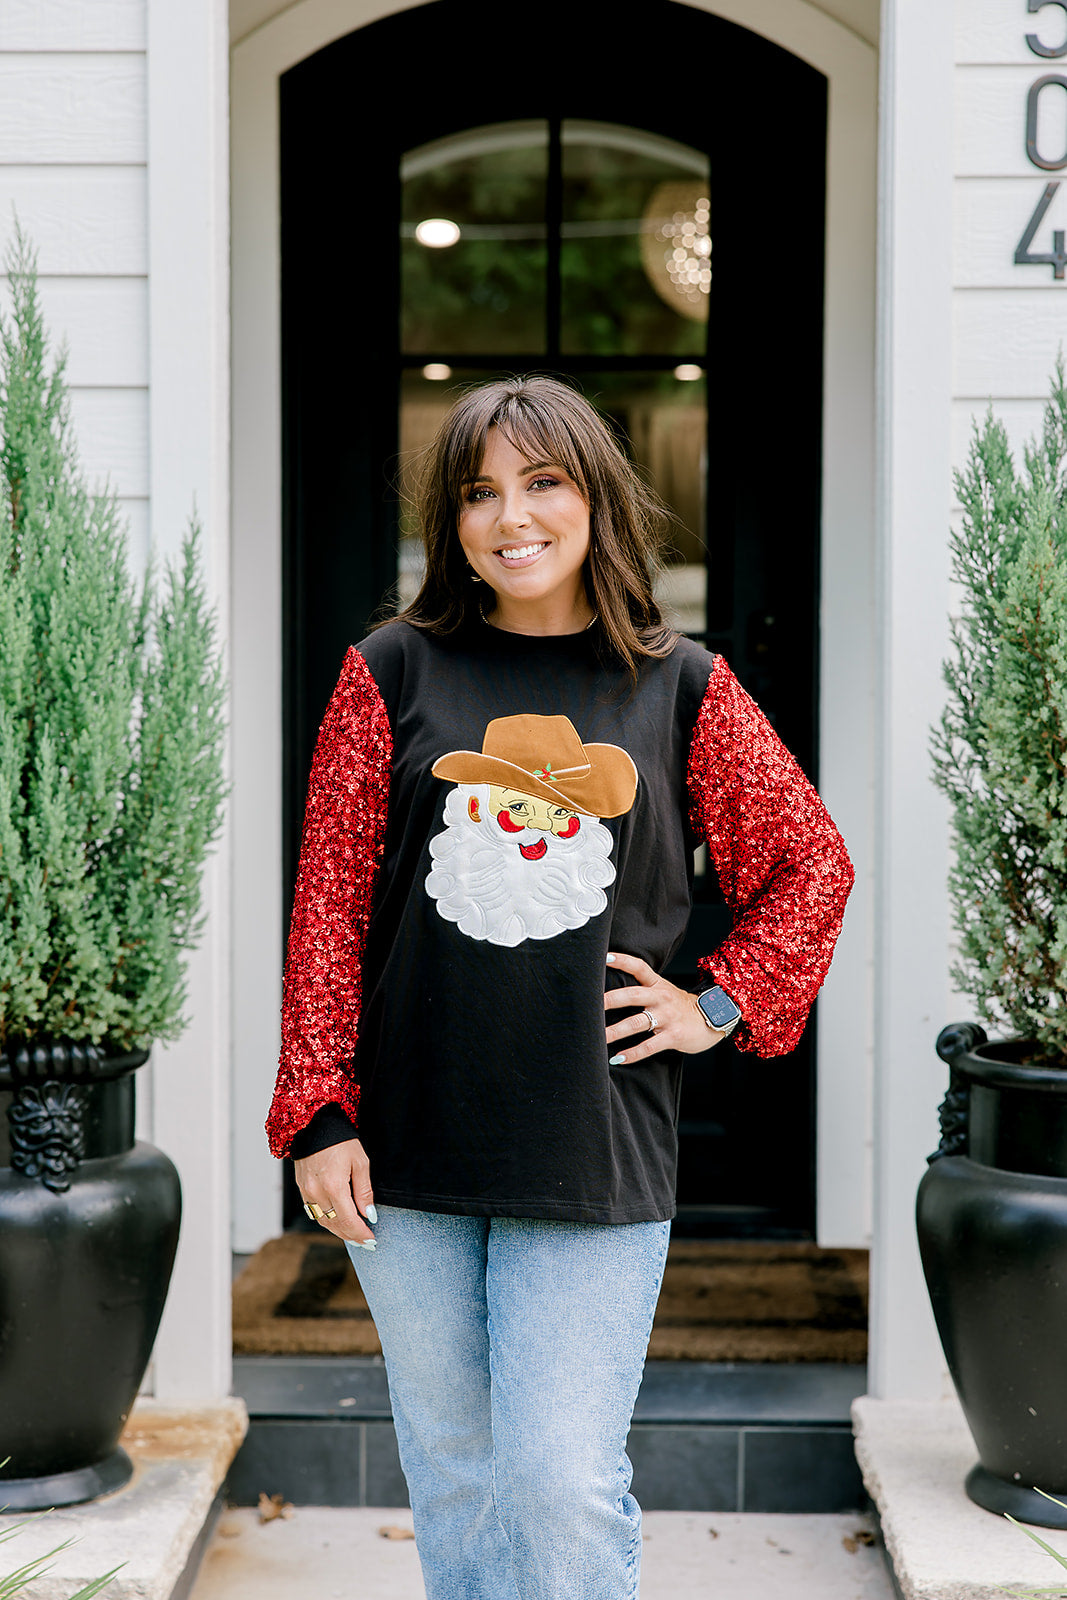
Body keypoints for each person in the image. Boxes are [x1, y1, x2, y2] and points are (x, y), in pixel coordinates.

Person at [266, 375, 854, 1599]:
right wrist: (316, 1111)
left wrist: (717, 1002)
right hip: (403, 1148)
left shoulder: (679, 683)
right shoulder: (387, 674)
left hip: (591, 1141)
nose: (510, 517)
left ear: (593, 500)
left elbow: (809, 863)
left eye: (541, 483)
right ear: (450, 518)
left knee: (557, 1478)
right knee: (458, 1472)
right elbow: (326, 906)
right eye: (478, 492)